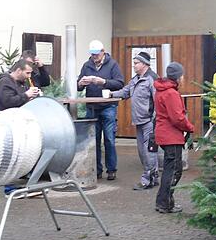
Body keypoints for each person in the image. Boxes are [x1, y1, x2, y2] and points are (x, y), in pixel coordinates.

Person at [111, 52, 159, 190]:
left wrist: (156, 121)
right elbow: (125, 92)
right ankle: (153, 177)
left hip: (149, 121)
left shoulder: (152, 79)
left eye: (136, 63)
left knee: (148, 151)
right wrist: (111, 94)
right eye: (134, 63)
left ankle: (147, 180)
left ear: (144, 64)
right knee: (142, 152)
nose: (134, 65)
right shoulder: (136, 79)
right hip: (139, 121)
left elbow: (158, 101)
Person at [77, 39, 124, 180]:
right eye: (92, 54)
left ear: (103, 52)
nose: (94, 57)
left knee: (109, 139)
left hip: (108, 107)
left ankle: (111, 169)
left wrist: (103, 82)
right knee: (94, 140)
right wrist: (80, 83)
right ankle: (96, 170)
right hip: (92, 107)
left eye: (97, 54)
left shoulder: (113, 65)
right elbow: (78, 86)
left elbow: (120, 83)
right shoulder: (87, 65)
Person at [153, 62, 195, 214]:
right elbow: (177, 118)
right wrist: (190, 127)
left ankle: (163, 202)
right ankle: (164, 203)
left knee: (170, 169)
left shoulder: (161, 90)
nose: (183, 78)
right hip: (171, 136)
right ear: (178, 77)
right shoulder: (171, 93)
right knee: (174, 171)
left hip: (165, 134)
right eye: (182, 75)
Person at [0, 59, 41, 195]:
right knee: (12, 156)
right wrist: (26, 95)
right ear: (18, 70)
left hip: (19, 124)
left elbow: (21, 99)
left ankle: (20, 186)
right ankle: (9, 189)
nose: (29, 76)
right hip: (9, 125)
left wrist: (32, 96)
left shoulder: (20, 83)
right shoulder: (5, 82)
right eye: (27, 73)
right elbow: (7, 102)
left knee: (22, 155)